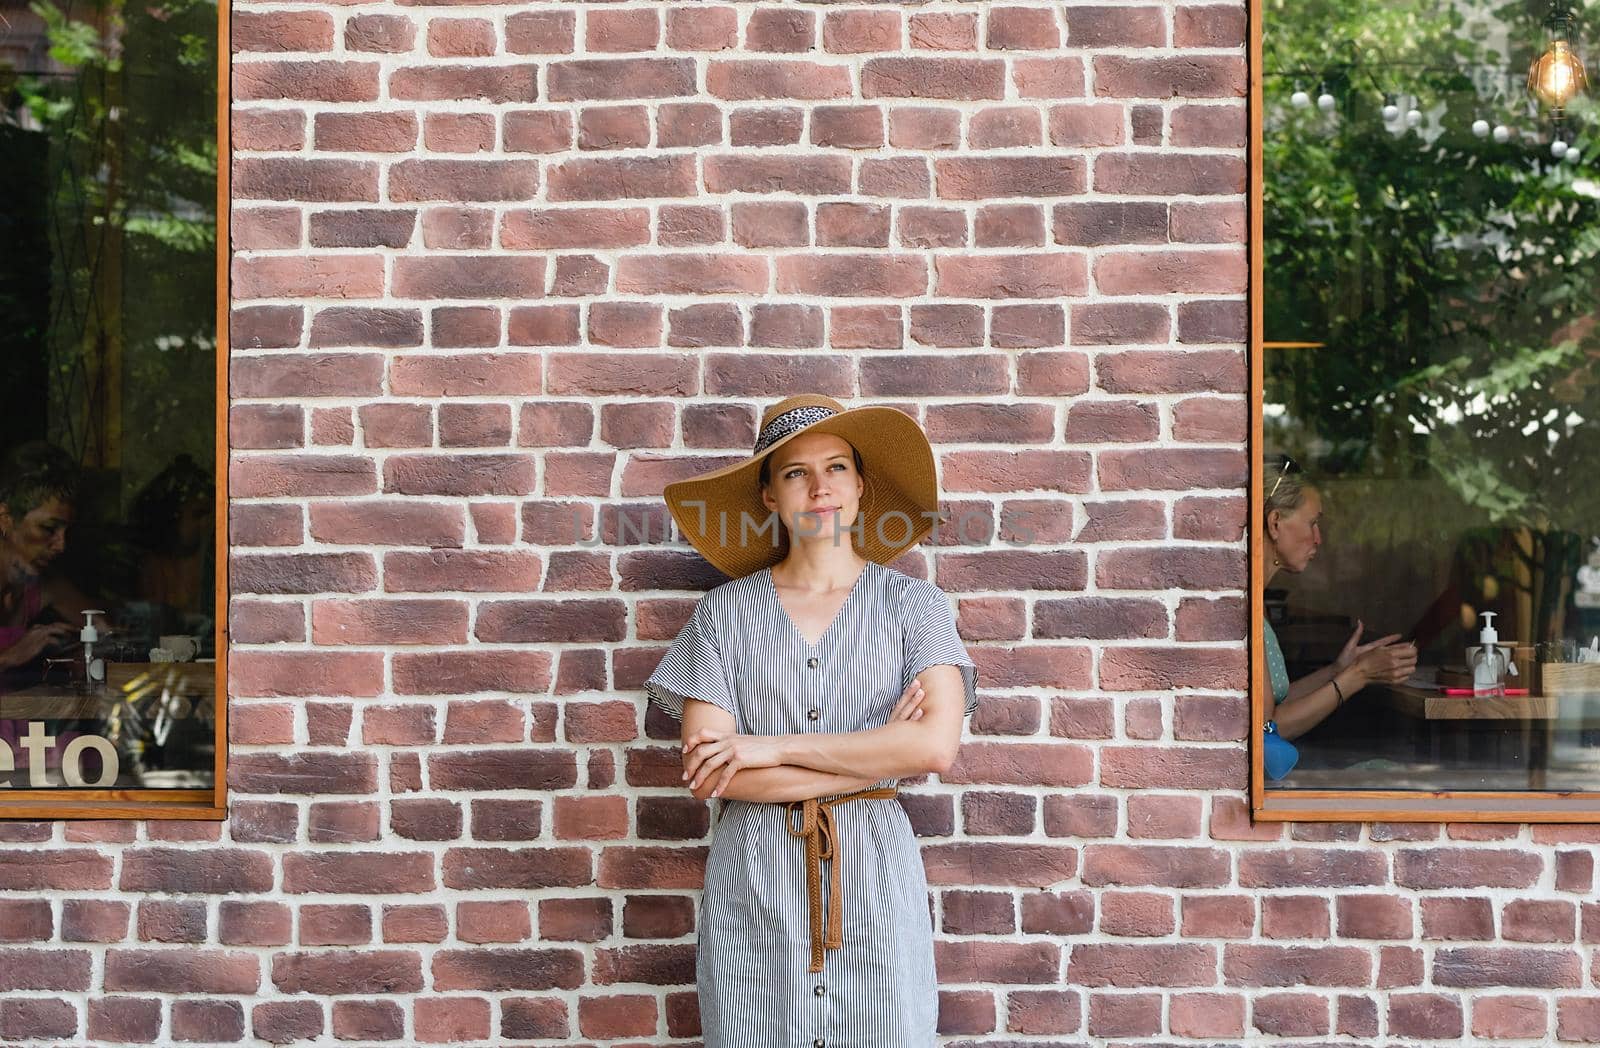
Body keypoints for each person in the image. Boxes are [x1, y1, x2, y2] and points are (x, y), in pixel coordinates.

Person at [644, 394, 978, 1047]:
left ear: (860, 488)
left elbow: (935, 748)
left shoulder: (915, 608)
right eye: (795, 472)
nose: (820, 487)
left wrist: (766, 749)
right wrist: (881, 747)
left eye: (837, 469)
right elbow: (712, 772)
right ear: (769, 495)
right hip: (756, 880)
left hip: (874, 879)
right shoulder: (724, 617)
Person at [1262, 456, 1417, 779]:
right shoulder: (1244, 605)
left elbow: (1274, 703)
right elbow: (1269, 728)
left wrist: (1337, 670)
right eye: (1312, 523)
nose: (1319, 538)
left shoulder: (1255, 604)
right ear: (1275, 523)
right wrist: (1357, 675)